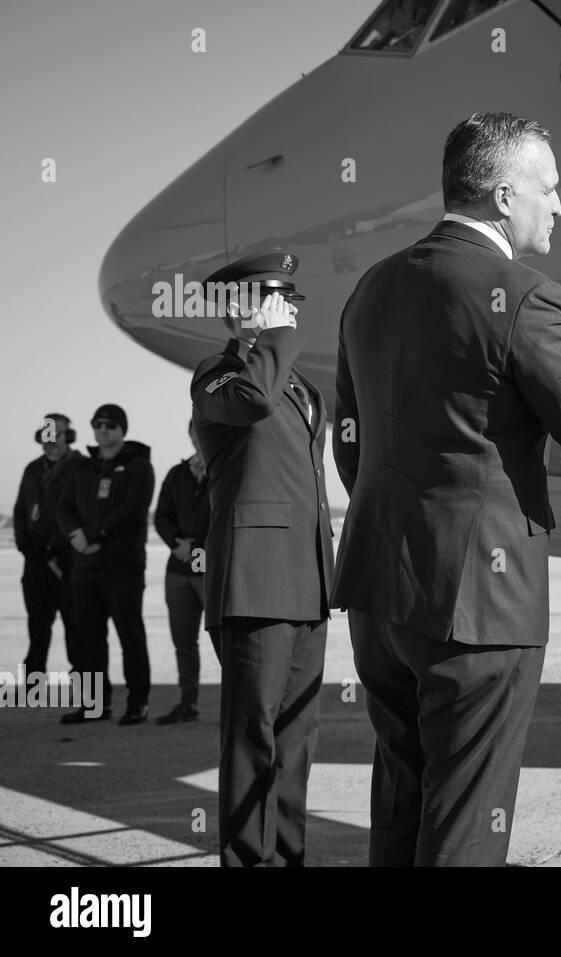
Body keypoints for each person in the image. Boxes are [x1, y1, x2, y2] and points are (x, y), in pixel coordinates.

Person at [331, 112, 561, 866]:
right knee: (466, 821)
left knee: (402, 799)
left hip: (376, 592)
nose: (559, 205)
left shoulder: (372, 288)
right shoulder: (522, 294)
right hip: (478, 604)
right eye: (548, 189)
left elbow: (349, 440)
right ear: (501, 193)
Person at [191, 251, 333, 867]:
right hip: (253, 584)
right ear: (234, 311)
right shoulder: (216, 377)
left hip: (307, 583)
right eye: (272, 302)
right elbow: (252, 401)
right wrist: (273, 338)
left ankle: (287, 859)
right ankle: (248, 861)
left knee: (296, 741)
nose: (286, 312)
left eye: (289, 303)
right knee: (253, 737)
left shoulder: (299, 386)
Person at [55, 404, 155, 725]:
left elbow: (133, 510)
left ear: (122, 429)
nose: (103, 429)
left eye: (110, 424)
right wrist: (76, 536)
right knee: (88, 638)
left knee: (129, 635)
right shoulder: (83, 468)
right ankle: (95, 705)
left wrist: (94, 533)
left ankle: (137, 703)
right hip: (85, 566)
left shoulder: (140, 467)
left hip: (122, 567)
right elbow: (64, 506)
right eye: (97, 424)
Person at [13, 413, 84, 678]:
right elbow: (20, 511)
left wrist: (62, 550)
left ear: (70, 437)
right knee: (37, 627)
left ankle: (83, 688)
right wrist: (28, 549)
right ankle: (33, 684)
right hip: (35, 561)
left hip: (70, 562)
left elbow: (84, 514)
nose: (50, 442)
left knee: (76, 626)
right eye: (46, 436)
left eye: (56, 435)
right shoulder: (32, 469)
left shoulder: (83, 467)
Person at [153, 419, 210, 724]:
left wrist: (201, 546)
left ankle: (240, 708)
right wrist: (177, 542)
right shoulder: (177, 474)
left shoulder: (228, 469)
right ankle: (188, 703)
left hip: (213, 572)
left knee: (228, 645)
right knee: (183, 642)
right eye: (196, 430)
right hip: (179, 570)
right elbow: (161, 516)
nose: (200, 436)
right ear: (190, 434)